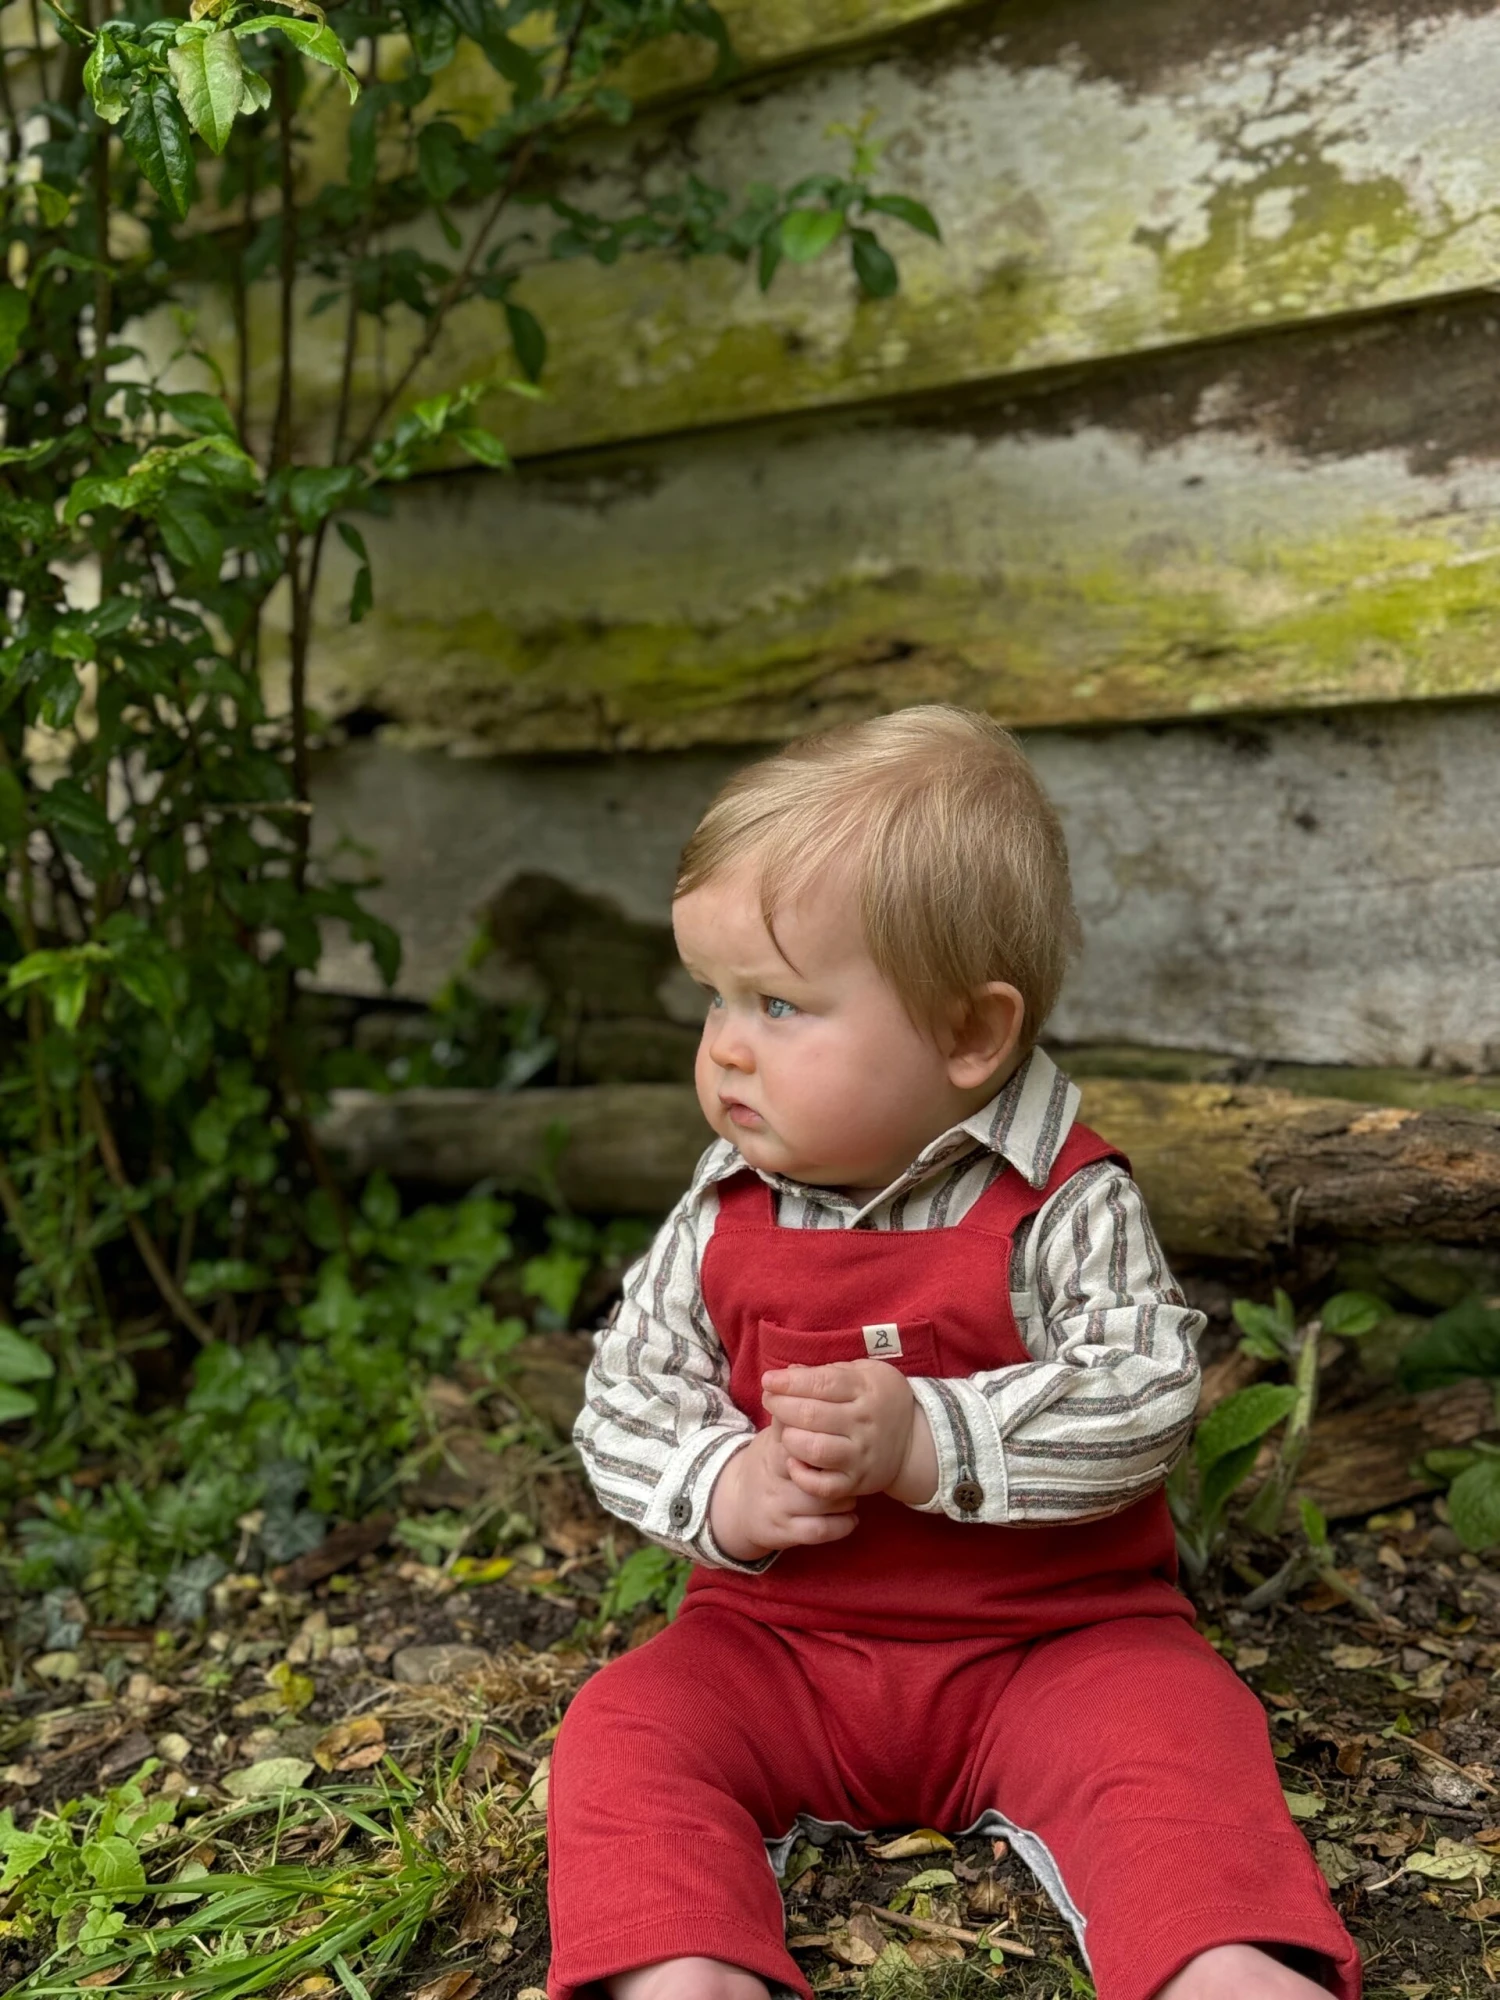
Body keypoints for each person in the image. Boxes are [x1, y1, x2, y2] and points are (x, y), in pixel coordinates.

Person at [548, 707, 1360, 2000]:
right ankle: (680, 1965)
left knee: (1181, 1739)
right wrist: (726, 1486)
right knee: (629, 1732)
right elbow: (625, 1396)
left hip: (1055, 1642)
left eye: (778, 1003)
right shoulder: (722, 1209)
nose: (726, 1045)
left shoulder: (1058, 1202)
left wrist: (931, 1438)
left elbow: (1145, 1389)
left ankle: (1220, 1961)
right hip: (782, 1649)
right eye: (714, 998)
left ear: (970, 1036)